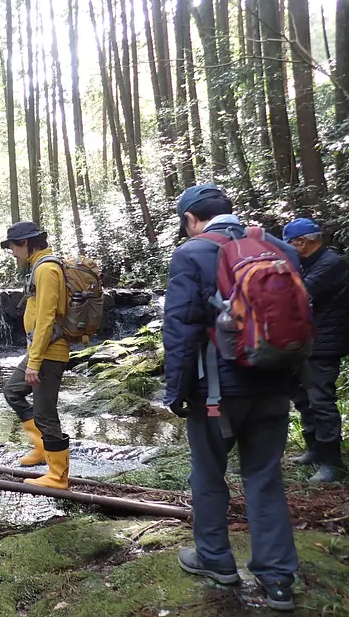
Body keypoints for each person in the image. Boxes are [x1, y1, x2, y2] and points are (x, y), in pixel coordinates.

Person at [164, 184, 299, 612]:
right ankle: (278, 579)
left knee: (207, 476)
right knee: (264, 478)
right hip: (275, 384)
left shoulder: (191, 253)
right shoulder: (278, 249)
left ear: (190, 219)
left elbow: (182, 330)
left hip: (216, 393)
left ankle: (215, 560)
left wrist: (176, 391)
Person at [0, 221, 70, 489]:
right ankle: (41, 447)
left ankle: (58, 476)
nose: (13, 253)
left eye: (14, 247)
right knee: (13, 391)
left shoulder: (48, 269)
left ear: (27, 243)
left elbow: (47, 320)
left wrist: (35, 363)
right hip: (39, 349)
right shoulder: (38, 267)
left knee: (45, 413)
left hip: (49, 352)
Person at [282, 217, 348, 483]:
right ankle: (314, 449)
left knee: (321, 401)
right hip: (306, 341)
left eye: (289, 244)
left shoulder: (330, 264)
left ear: (302, 243)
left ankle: (332, 463)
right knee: (302, 397)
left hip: (324, 343)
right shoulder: (309, 262)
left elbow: (298, 295)